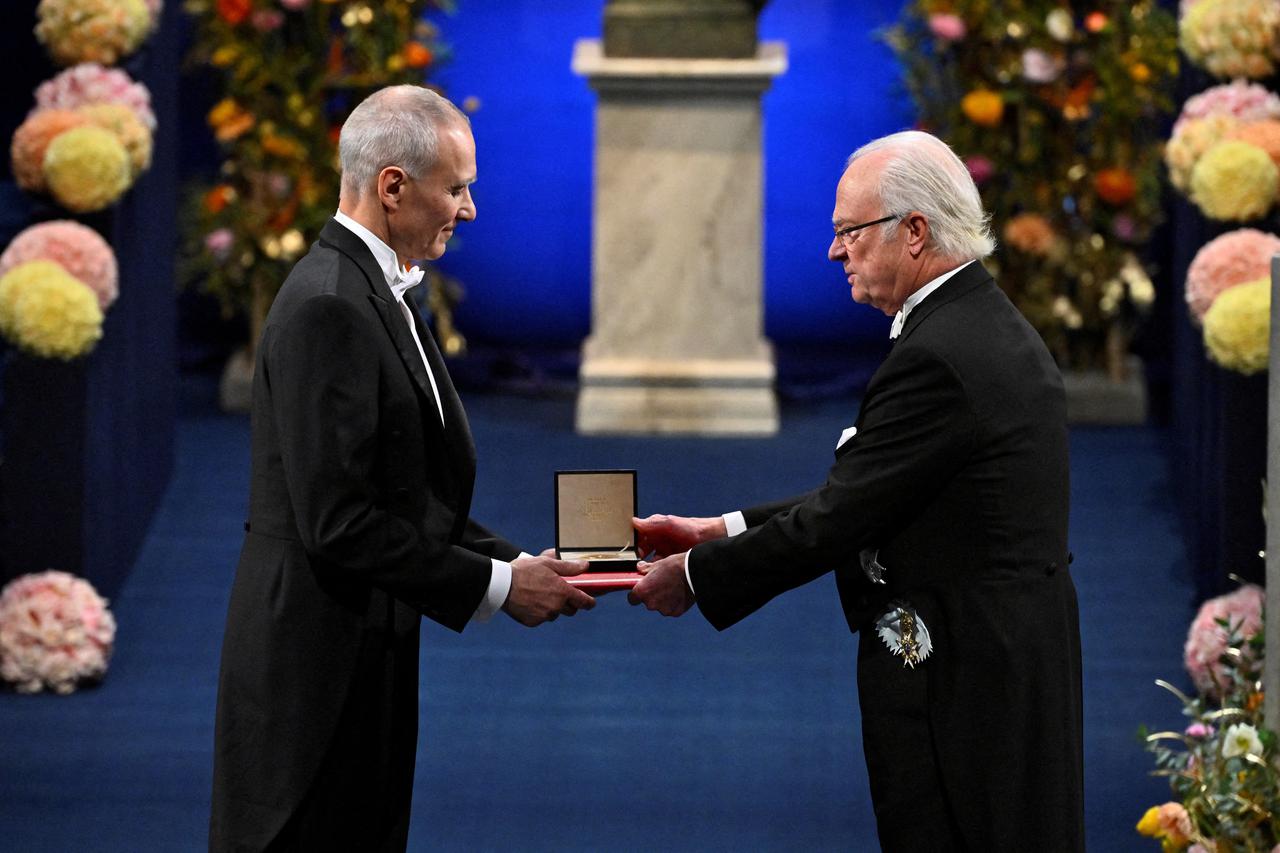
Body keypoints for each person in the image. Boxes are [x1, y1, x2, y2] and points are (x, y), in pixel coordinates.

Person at [629, 130, 1083, 851]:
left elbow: (842, 516)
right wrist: (721, 530)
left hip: (966, 685)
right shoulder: (971, 324)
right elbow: (879, 487)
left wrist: (693, 575)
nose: (834, 252)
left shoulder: (940, 353)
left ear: (913, 232)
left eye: (848, 232)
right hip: (1001, 665)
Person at [209, 86, 596, 852]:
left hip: (362, 644)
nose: (470, 209)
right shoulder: (331, 305)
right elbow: (340, 522)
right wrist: (500, 587)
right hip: (312, 676)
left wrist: (513, 561)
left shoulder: (370, 289)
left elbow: (399, 490)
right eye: (457, 188)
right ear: (394, 186)